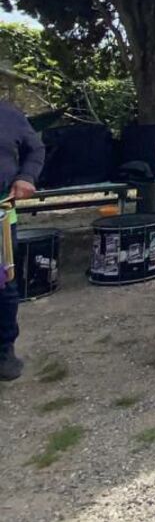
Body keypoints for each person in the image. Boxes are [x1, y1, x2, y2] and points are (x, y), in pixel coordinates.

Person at [0, 101, 46, 381]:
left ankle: (4, 349)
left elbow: (35, 148)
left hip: (1, 213)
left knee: (3, 284)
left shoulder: (8, 114)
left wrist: (26, 177)